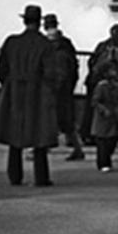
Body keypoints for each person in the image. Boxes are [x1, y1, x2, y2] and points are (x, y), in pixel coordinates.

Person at [0, 4, 58, 187]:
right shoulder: (45, 45)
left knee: (14, 137)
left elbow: (1, 70)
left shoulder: (12, 42)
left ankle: (15, 176)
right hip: (38, 93)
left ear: (25, 20)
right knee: (39, 136)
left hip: (15, 92)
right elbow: (51, 73)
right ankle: (41, 177)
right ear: (39, 22)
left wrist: (10, 85)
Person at [84, 23, 118, 147]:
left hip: (117, 84)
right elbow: (94, 63)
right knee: (101, 112)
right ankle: (96, 136)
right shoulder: (103, 48)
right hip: (103, 83)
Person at [43, 13, 85, 161]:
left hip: (52, 87)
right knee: (66, 120)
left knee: (49, 118)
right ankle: (77, 148)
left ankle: (43, 147)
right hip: (64, 87)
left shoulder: (46, 44)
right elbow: (74, 67)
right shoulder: (66, 44)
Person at [89, 61, 118, 172]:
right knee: (103, 143)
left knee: (111, 141)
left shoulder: (116, 85)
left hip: (113, 117)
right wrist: (103, 110)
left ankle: (106, 161)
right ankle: (103, 163)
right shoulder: (102, 86)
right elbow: (95, 101)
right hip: (103, 118)